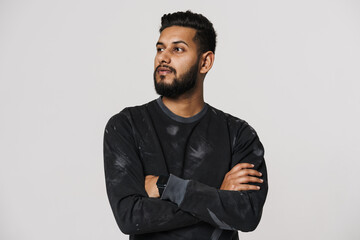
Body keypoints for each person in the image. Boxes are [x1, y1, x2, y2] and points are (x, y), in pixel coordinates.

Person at [103, 10, 268, 240]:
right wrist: (218, 196)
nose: (163, 57)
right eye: (160, 48)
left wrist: (167, 187)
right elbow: (130, 216)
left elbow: (247, 214)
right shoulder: (126, 126)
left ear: (205, 62)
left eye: (177, 49)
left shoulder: (238, 134)